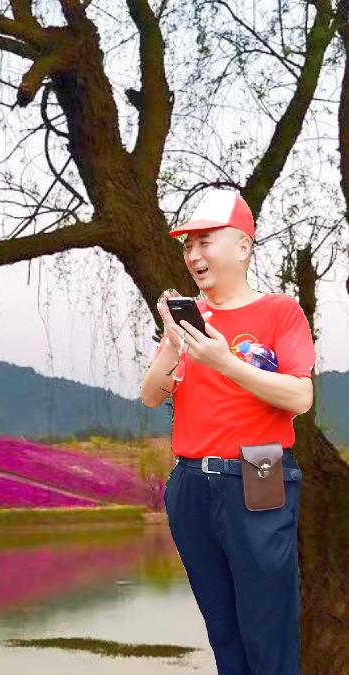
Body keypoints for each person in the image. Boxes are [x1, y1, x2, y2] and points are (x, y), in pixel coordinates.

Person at [139, 188, 316, 675]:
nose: (193, 254)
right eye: (188, 245)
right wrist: (174, 343)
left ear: (242, 246)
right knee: (223, 629)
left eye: (205, 241)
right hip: (190, 481)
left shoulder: (280, 311)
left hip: (261, 468)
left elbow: (300, 397)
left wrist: (225, 362)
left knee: (267, 625)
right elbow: (151, 395)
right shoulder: (193, 320)